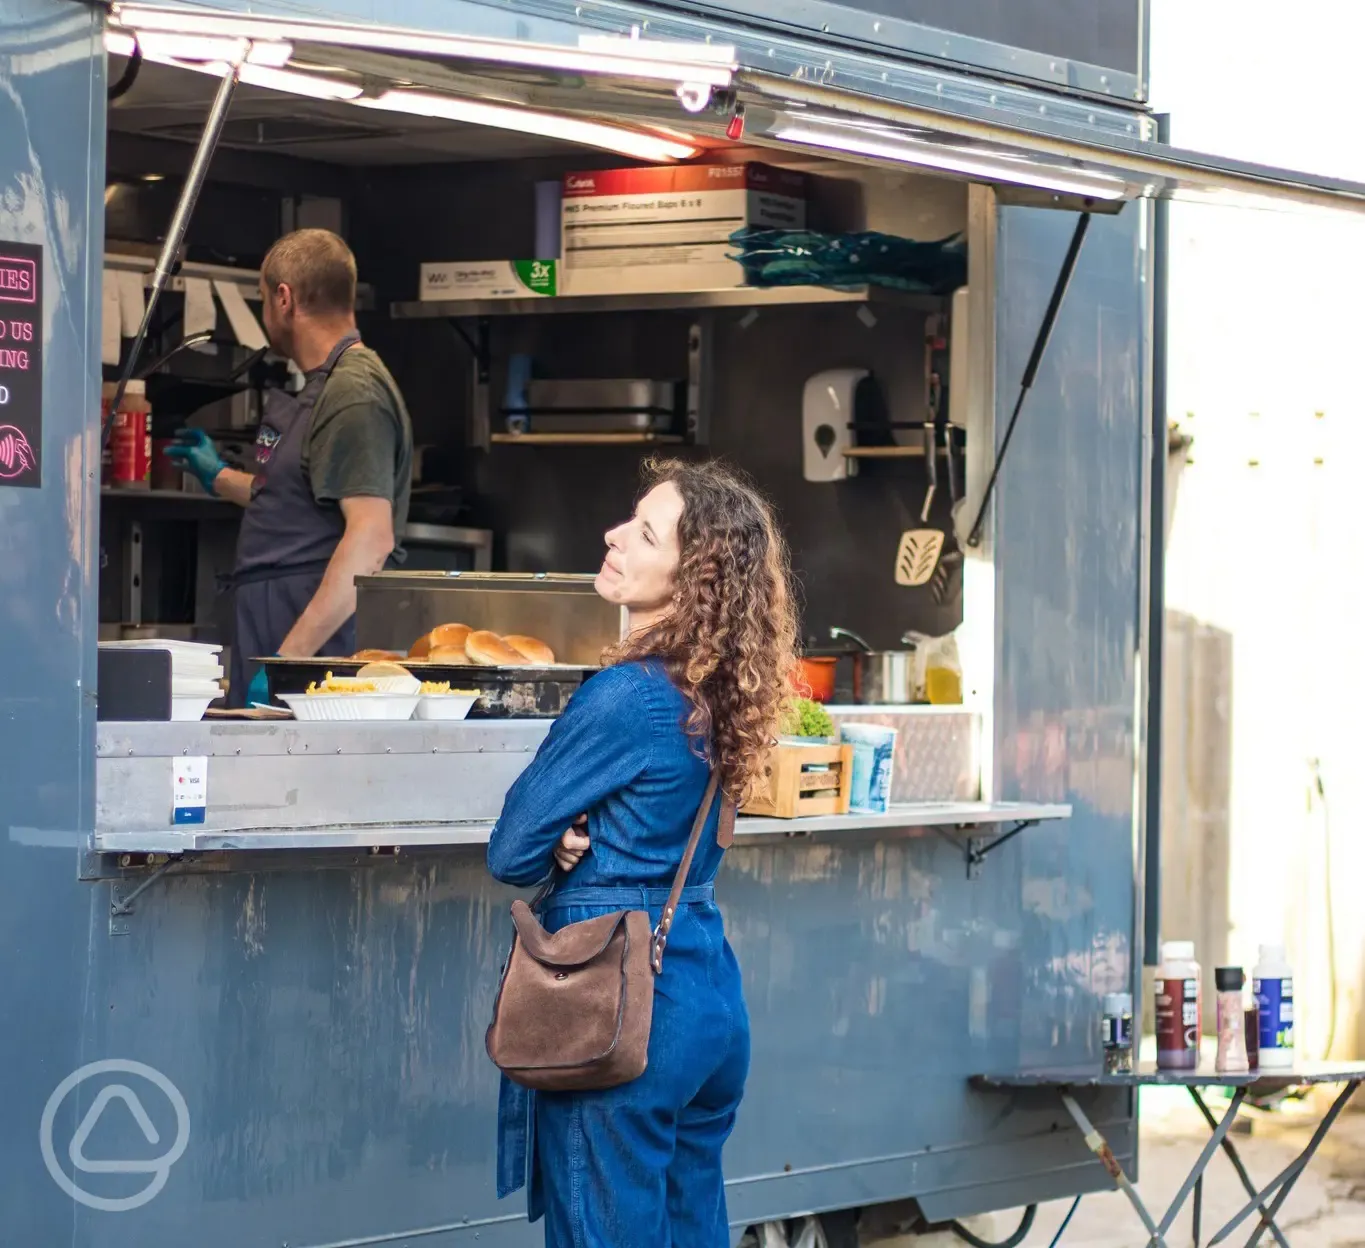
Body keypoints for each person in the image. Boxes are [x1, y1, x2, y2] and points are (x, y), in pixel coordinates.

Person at [486, 458, 798, 1247]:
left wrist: (557, 843)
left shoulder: (626, 695)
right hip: (704, 991)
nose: (614, 536)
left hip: (620, 1004)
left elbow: (510, 847)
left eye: (645, 532)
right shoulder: (720, 691)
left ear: (691, 576)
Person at [164, 229, 413, 706]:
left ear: (284, 298)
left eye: (261, 299)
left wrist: (287, 659)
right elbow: (297, 500)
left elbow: (370, 538)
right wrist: (216, 475)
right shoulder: (327, 385)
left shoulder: (353, 392)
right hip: (276, 627)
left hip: (312, 652)